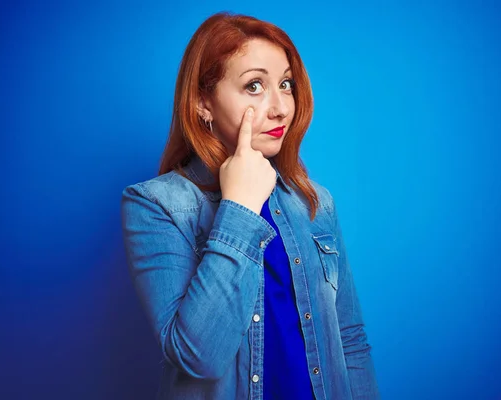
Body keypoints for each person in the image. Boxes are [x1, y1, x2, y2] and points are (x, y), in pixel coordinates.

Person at [121, 12, 380, 400]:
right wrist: (240, 205)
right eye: (255, 86)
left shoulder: (316, 202)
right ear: (202, 103)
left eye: (286, 84)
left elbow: (350, 340)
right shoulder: (156, 205)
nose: (280, 108)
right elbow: (199, 357)